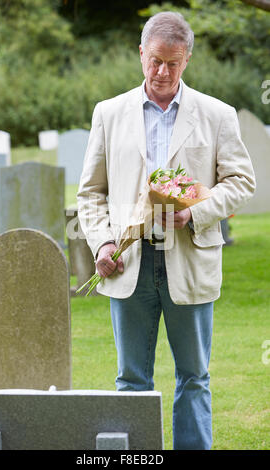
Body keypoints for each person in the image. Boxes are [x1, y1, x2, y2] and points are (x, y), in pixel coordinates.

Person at [77, 12, 256, 450]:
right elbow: (90, 193)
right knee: (131, 377)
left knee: (194, 376)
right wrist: (101, 241)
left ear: (187, 60)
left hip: (191, 261)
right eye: (155, 60)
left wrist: (194, 213)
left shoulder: (217, 114)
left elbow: (241, 182)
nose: (162, 72)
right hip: (129, 265)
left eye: (173, 63)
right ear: (141, 54)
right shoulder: (108, 113)